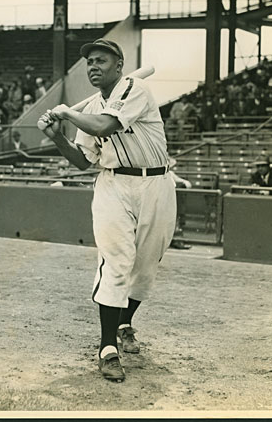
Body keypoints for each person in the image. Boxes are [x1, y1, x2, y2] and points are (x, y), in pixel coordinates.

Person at [38, 38, 176, 382]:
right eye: (89, 62)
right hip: (113, 185)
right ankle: (107, 348)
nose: (93, 66)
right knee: (115, 263)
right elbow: (85, 161)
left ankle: (125, 322)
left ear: (119, 65)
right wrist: (58, 138)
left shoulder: (136, 88)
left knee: (145, 268)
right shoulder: (92, 109)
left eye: (101, 60)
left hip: (156, 183)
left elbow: (105, 126)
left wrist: (68, 112)